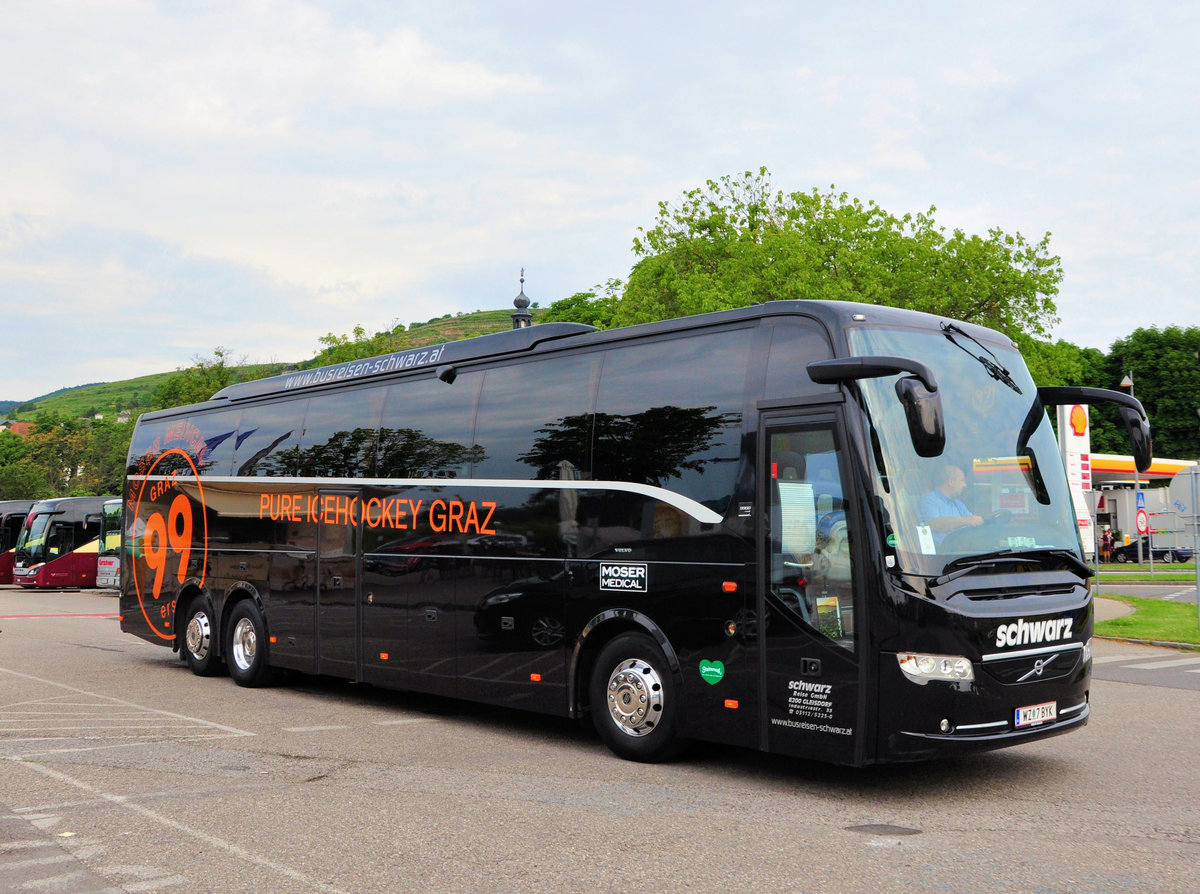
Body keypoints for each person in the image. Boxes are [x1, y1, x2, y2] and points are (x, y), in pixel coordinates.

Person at [919, 464, 983, 543]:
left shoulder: (957, 503)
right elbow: (933, 524)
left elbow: (972, 520)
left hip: (961, 548)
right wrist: (965, 521)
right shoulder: (928, 500)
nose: (965, 485)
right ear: (951, 482)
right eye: (962, 480)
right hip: (942, 552)